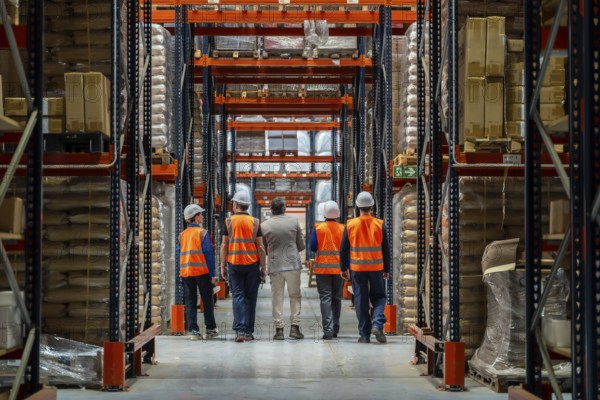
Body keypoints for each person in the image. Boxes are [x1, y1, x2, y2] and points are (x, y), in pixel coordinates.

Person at [340, 192, 390, 344]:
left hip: (357, 268)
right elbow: (386, 249)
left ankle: (364, 335)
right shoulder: (380, 224)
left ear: (357, 206)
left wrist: (343, 268)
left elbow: (343, 249)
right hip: (376, 267)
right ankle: (377, 323)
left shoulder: (350, 224)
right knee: (379, 297)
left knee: (361, 300)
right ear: (372, 206)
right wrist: (386, 269)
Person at [220, 191, 266, 342]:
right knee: (251, 297)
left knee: (238, 296)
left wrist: (222, 266)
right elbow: (260, 247)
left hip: (234, 263)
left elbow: (224, 245)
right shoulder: (256, 222)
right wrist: (263, 267)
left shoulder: (228, 222)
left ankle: (240, 331)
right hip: (252, 264)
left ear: (236, 204)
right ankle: (248, 332)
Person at [261, 197, 306, 340]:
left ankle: (279, 330)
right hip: (292, 264)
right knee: (295, 296)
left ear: (271, 209)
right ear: (284, 208)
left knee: (277, 298)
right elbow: (301, 245)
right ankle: (295, 328)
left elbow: (263, 248)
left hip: (275, 266)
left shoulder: (265, 225)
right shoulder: (293, 221)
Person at [179, 204, 219, 341]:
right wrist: (213, 274)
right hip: (202, 272)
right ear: (195, 217)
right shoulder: (202, 233)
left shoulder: (182, 235)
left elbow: (180, 253)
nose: (202, 216)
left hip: (186, 272)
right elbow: (208, 254)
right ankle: (210, 329)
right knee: (207, 301)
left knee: (190, 301)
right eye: (200, 214)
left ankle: (194, 332)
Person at [309, 200, 344, 340]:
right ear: (337, 214)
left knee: (325, 299)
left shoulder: (318, 228)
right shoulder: (343, 228)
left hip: (323, 270)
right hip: (339, 270)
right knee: (337, 299)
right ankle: (335, 329)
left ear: (324, 214)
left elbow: (312, 247)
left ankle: (328, 331)